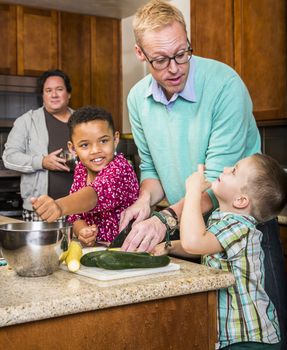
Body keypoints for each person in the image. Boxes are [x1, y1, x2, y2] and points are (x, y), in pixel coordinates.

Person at [119, 0, 287, 347]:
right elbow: (150, 168)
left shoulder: (224, 85)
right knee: (211, 329)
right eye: (161, 59)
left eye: (182, 53)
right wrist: (143, 202)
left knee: (263, 331)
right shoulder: (137, 98)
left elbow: (211, 183)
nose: (175, 68)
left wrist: (163, 221)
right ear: (140, 54)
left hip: (241, 224)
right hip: (188, 226)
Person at [154, 153, 287, 349]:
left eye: (233, 171)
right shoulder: (224, 219)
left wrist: (192, 191)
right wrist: (170, 246)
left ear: (241, 200)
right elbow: (205, 247)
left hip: (249, 339)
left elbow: (195, 242)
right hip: (234, 336)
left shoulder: (239, 227)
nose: (225, 170)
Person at [31, 106, 139, 246]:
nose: (95, 150)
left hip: (129, 251)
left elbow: (93, 195)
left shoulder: (120, 168)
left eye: (103, 141)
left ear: (115, 139)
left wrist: (59, 206)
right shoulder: (81, 169)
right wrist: (82, 231)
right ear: (72, 148)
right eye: (84, 145)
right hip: (98, 251)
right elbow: (76, 216)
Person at [2, 69, 74, 221]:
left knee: (81, 245)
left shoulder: (82, 121)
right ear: (43, 95)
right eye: (48, 90)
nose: (54, 95)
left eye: (59, 89)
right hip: (40, 210)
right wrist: (41, 162)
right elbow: (9, 157)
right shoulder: (27, 121)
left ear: (68, 94)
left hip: (78, 208)